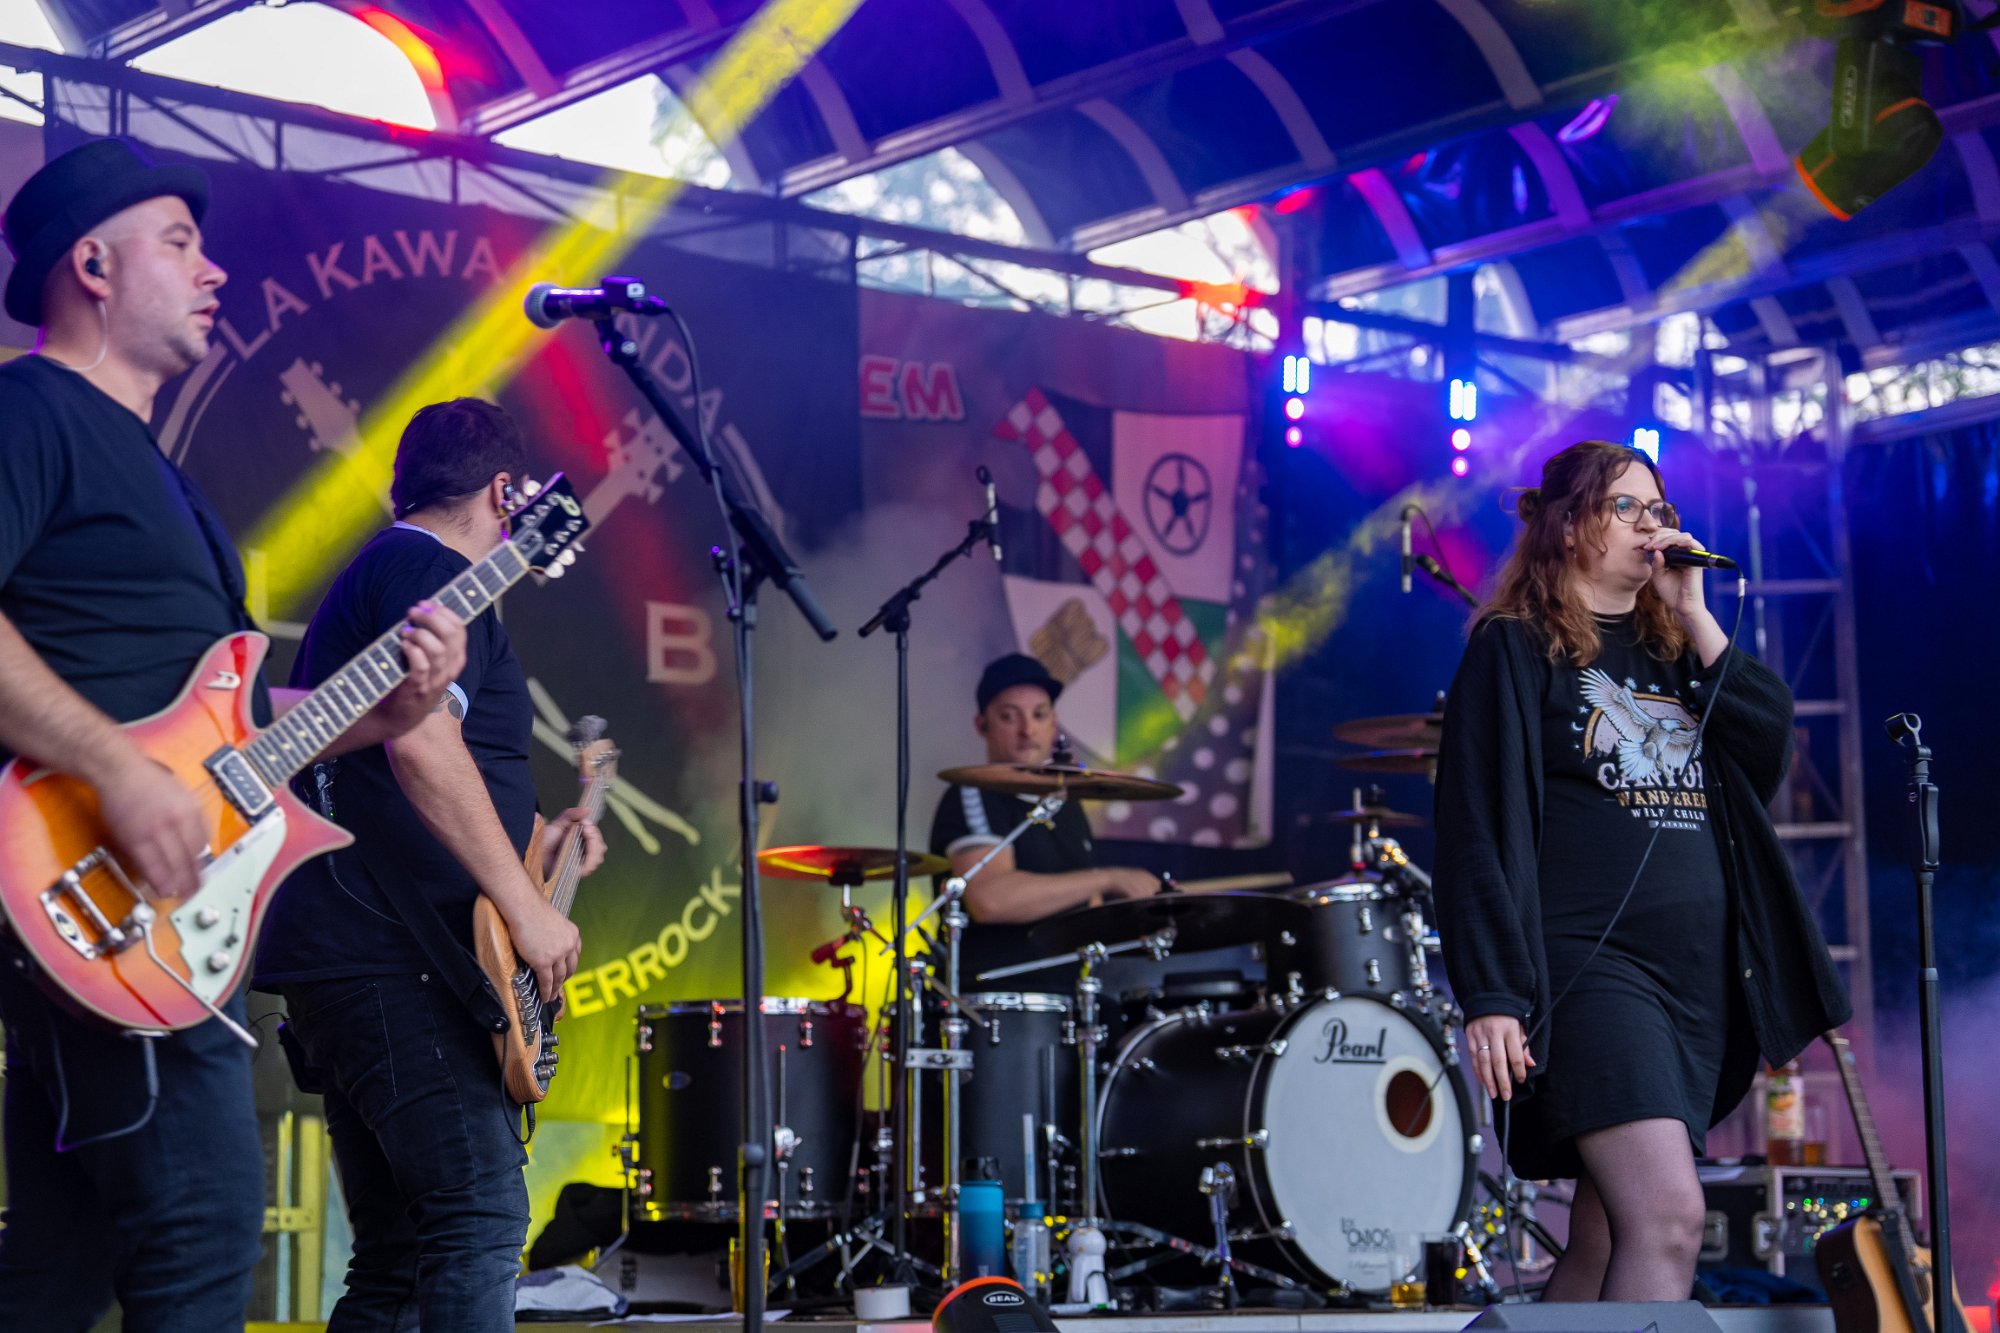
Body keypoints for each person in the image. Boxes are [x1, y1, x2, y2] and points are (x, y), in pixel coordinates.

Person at [0, 138, 466, 1331]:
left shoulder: (159, 473)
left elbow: (228, 740)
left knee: (58, 1267)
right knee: (203, 1227)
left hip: (134, 908)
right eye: (180, 243)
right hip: (101, 893)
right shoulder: (29, 410)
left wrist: (385, 713)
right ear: (93, 265)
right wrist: (112, 767)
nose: (213, 270)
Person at [1432, 440, 1850, 1302]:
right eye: (1625, 506)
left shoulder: (1677, 653)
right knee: (1668, 1218)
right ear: (1568, 525)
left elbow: (1768, 747)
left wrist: (1692, 611)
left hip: (1696, 984)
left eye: (1658, 508)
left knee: (1602, 1238)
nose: (1649, 523)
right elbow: (1475, 826)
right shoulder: (1516, 648)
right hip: (1593, 973)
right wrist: (1493, 992)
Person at [253, 397, 604, 1331]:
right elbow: (420, 746)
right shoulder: (434, 573)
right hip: (393, 959)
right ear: (506, 490)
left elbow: (409, 771)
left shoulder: (393, 567)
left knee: (401, 1258)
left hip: (360, 955)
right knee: (478, 1221)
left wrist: (541, 852)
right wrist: (526, 910)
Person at [928, 652, 1160, 989]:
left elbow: (1085, 902)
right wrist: (1110, 877)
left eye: (1039, 714)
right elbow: (990, 900)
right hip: (993, 999)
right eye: (1009, 717)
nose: (1027, 730)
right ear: (982, 726)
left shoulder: (1067, 804)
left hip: (1071, 995)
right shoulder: (973, 793)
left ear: (1054, 722)